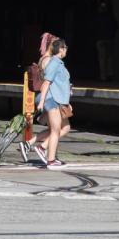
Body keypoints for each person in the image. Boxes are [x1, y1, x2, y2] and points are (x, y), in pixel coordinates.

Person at [18, 32, 58, 162]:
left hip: (45, 97)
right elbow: (48, 81)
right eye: (56, 44)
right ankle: (43, 149)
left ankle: (29, 144)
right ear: (51, 45)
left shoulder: (44, 58)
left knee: (54, 129)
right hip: (47, 97)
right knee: (59, 128)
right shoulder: (48, 60)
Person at [34, 38, 72, 167]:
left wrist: (67, 102)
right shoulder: (54, 63)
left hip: (61, 101)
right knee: (55, 130)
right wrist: (42, 102)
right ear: (61, 49)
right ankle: (50, 159)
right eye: (65, 47)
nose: (66, 49)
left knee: (66, 128)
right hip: (53, 100)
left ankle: (43, 147)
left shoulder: (59, 63)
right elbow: (46, 83)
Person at [95, 0, 117, 82]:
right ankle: (110, 74)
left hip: (100, 39)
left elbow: (94, 27)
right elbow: (115, 26)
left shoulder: (97, 17)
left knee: (102, 58)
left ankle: (103, 76)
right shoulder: (110, 17)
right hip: (109, 39)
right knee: (109, 58)